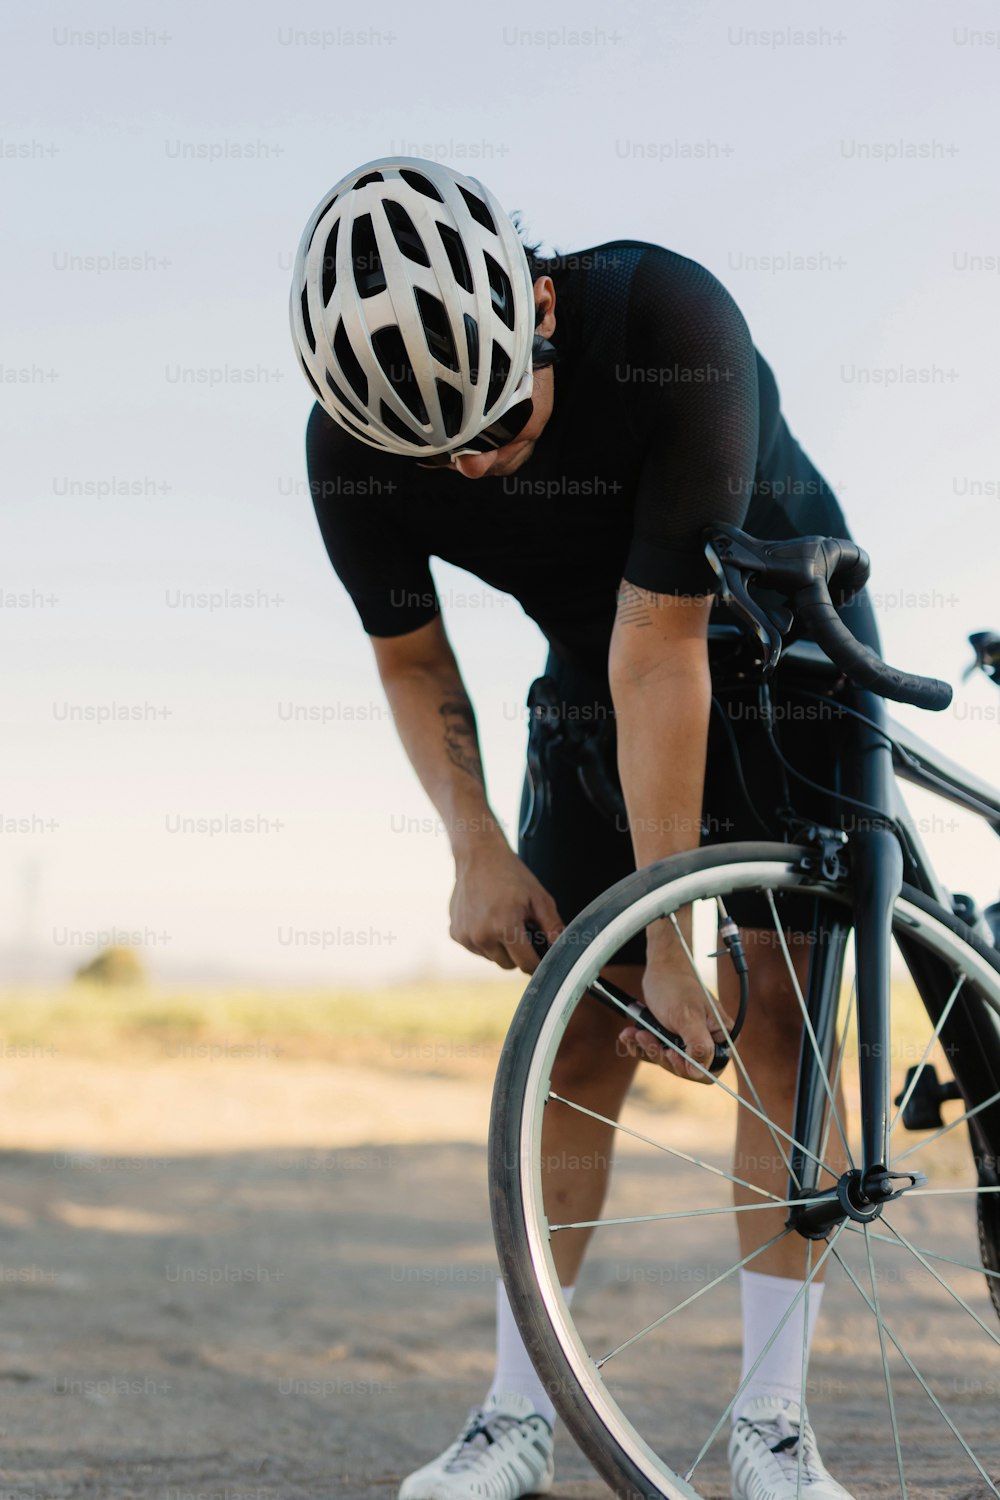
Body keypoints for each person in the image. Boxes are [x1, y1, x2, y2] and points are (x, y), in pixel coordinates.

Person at [290, 156, 878, 1500]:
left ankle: (772, 1431)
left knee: (780, 1026)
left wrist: (674, 928)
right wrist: (474, 844)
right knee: (579, 1040)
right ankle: (517, 1413)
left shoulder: (670, 327)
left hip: (788, 647)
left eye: (498, 423)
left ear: (539, 308)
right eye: (439, 456)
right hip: (594, 667)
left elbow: (665, 649)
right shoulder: (347, 449)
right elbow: (410, 661)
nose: (478, 464)